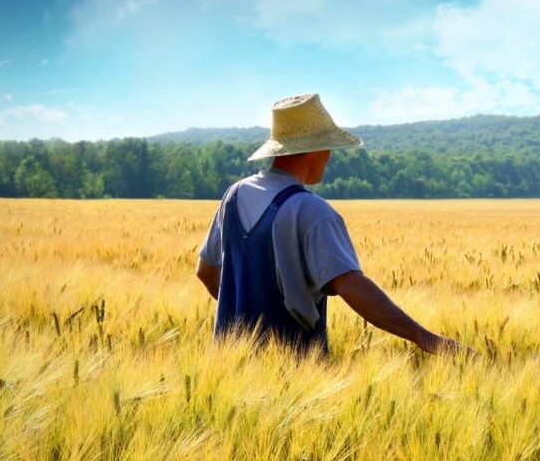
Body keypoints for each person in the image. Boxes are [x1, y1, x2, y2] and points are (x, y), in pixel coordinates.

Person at [195, 93, 466, 355]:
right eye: (329, 148)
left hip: (229, 359)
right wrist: (424, 337)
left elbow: (205, 271)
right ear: (315, 151)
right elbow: (351, 287)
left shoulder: (233, 195)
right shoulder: (310, 210)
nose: (330, 157)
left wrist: (248, 319)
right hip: (297, 373)